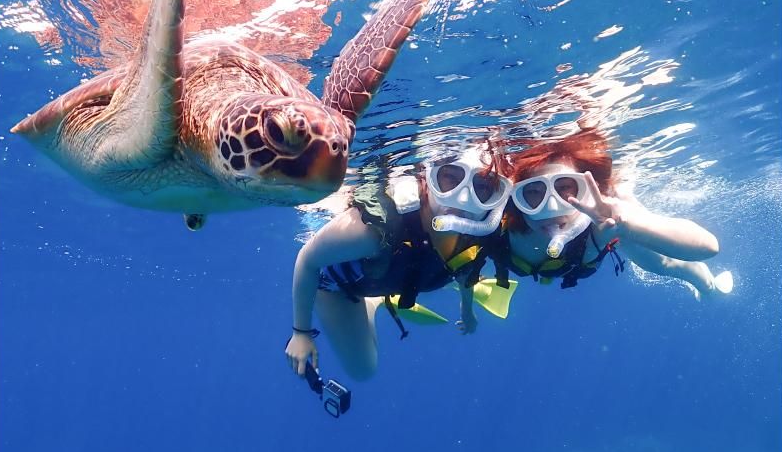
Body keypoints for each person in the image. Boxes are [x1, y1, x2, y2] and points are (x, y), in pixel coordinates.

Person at [285, 147, 512, 381]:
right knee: (363, 370)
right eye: (450, 178)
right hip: (339, 290)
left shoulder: (479, 231)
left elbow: (465, 270)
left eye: (482, 187)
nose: (463, 199)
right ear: (426, 178)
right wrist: (301, 332)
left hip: (401, 274)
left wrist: (467, 310)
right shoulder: (373, 229)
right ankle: (372, 303)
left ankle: (383, 293)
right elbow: (307, 259)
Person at [496, 129, 733, 298]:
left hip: (607, 237)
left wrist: (626, 224)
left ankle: (707, 287)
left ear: (587, 190)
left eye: (565, 188)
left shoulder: (604, 219)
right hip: (572, 262)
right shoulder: (497, 216)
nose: (550, 207)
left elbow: (708, 246)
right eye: (533, 193)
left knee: (665, 264)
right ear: (515, 198)